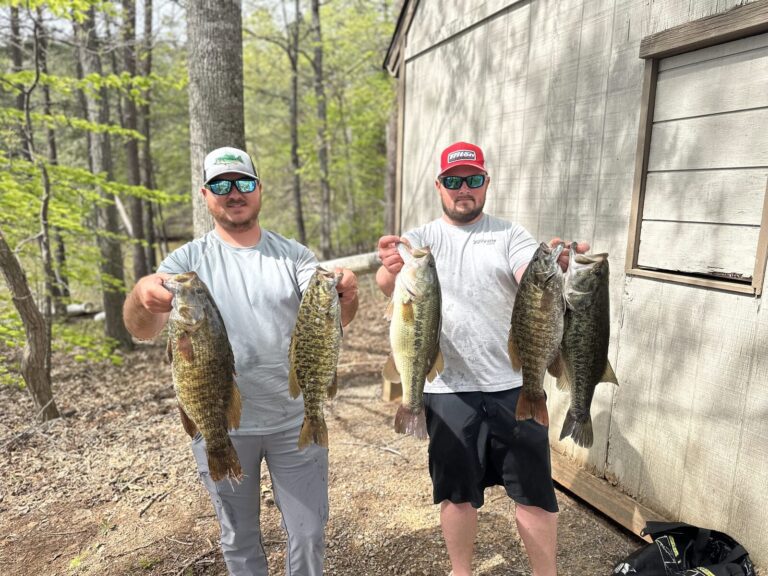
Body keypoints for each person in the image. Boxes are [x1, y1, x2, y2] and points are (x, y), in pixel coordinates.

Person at [123, 146, 359, 576]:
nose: (235, 193)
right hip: (220, 422)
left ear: (259, 189)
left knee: (308, 535)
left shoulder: (294, 256)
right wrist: (142, 295)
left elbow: (334, 317)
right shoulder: (186, 264)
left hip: (292, 421)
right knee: (238, 537)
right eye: (222, 185)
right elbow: (141, 328)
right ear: (206, 194)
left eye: (244, 183)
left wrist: (347, 293)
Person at [375, 141, 587, 576]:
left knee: (534, 493)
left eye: (472, 179)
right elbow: (386, 283)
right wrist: (388, 264)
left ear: (486, 183)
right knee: (456, 494)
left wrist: (555, 265)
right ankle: (461, 571)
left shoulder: (509, 234)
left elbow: (530, 274)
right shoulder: (422, 239)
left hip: (513, 384)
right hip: (447, 388)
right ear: (440, 186)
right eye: (453, 181)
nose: (463, 189)